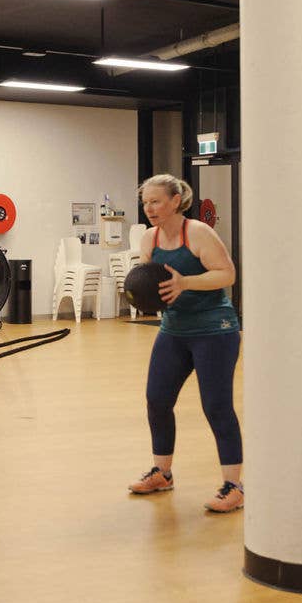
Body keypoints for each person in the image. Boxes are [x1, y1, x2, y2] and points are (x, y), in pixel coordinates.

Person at [128, 174, 243, 513]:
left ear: (175, 201)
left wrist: (187, 282)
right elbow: (153, 283)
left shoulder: (197, 233)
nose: (149, 208)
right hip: (174, 330)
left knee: (216, 407)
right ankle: (162, 473)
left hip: (214, 330)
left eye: (156, 201)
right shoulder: (149, 238)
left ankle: (233, 486)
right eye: (146, 202)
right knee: (157, 400)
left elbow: (227, 274)